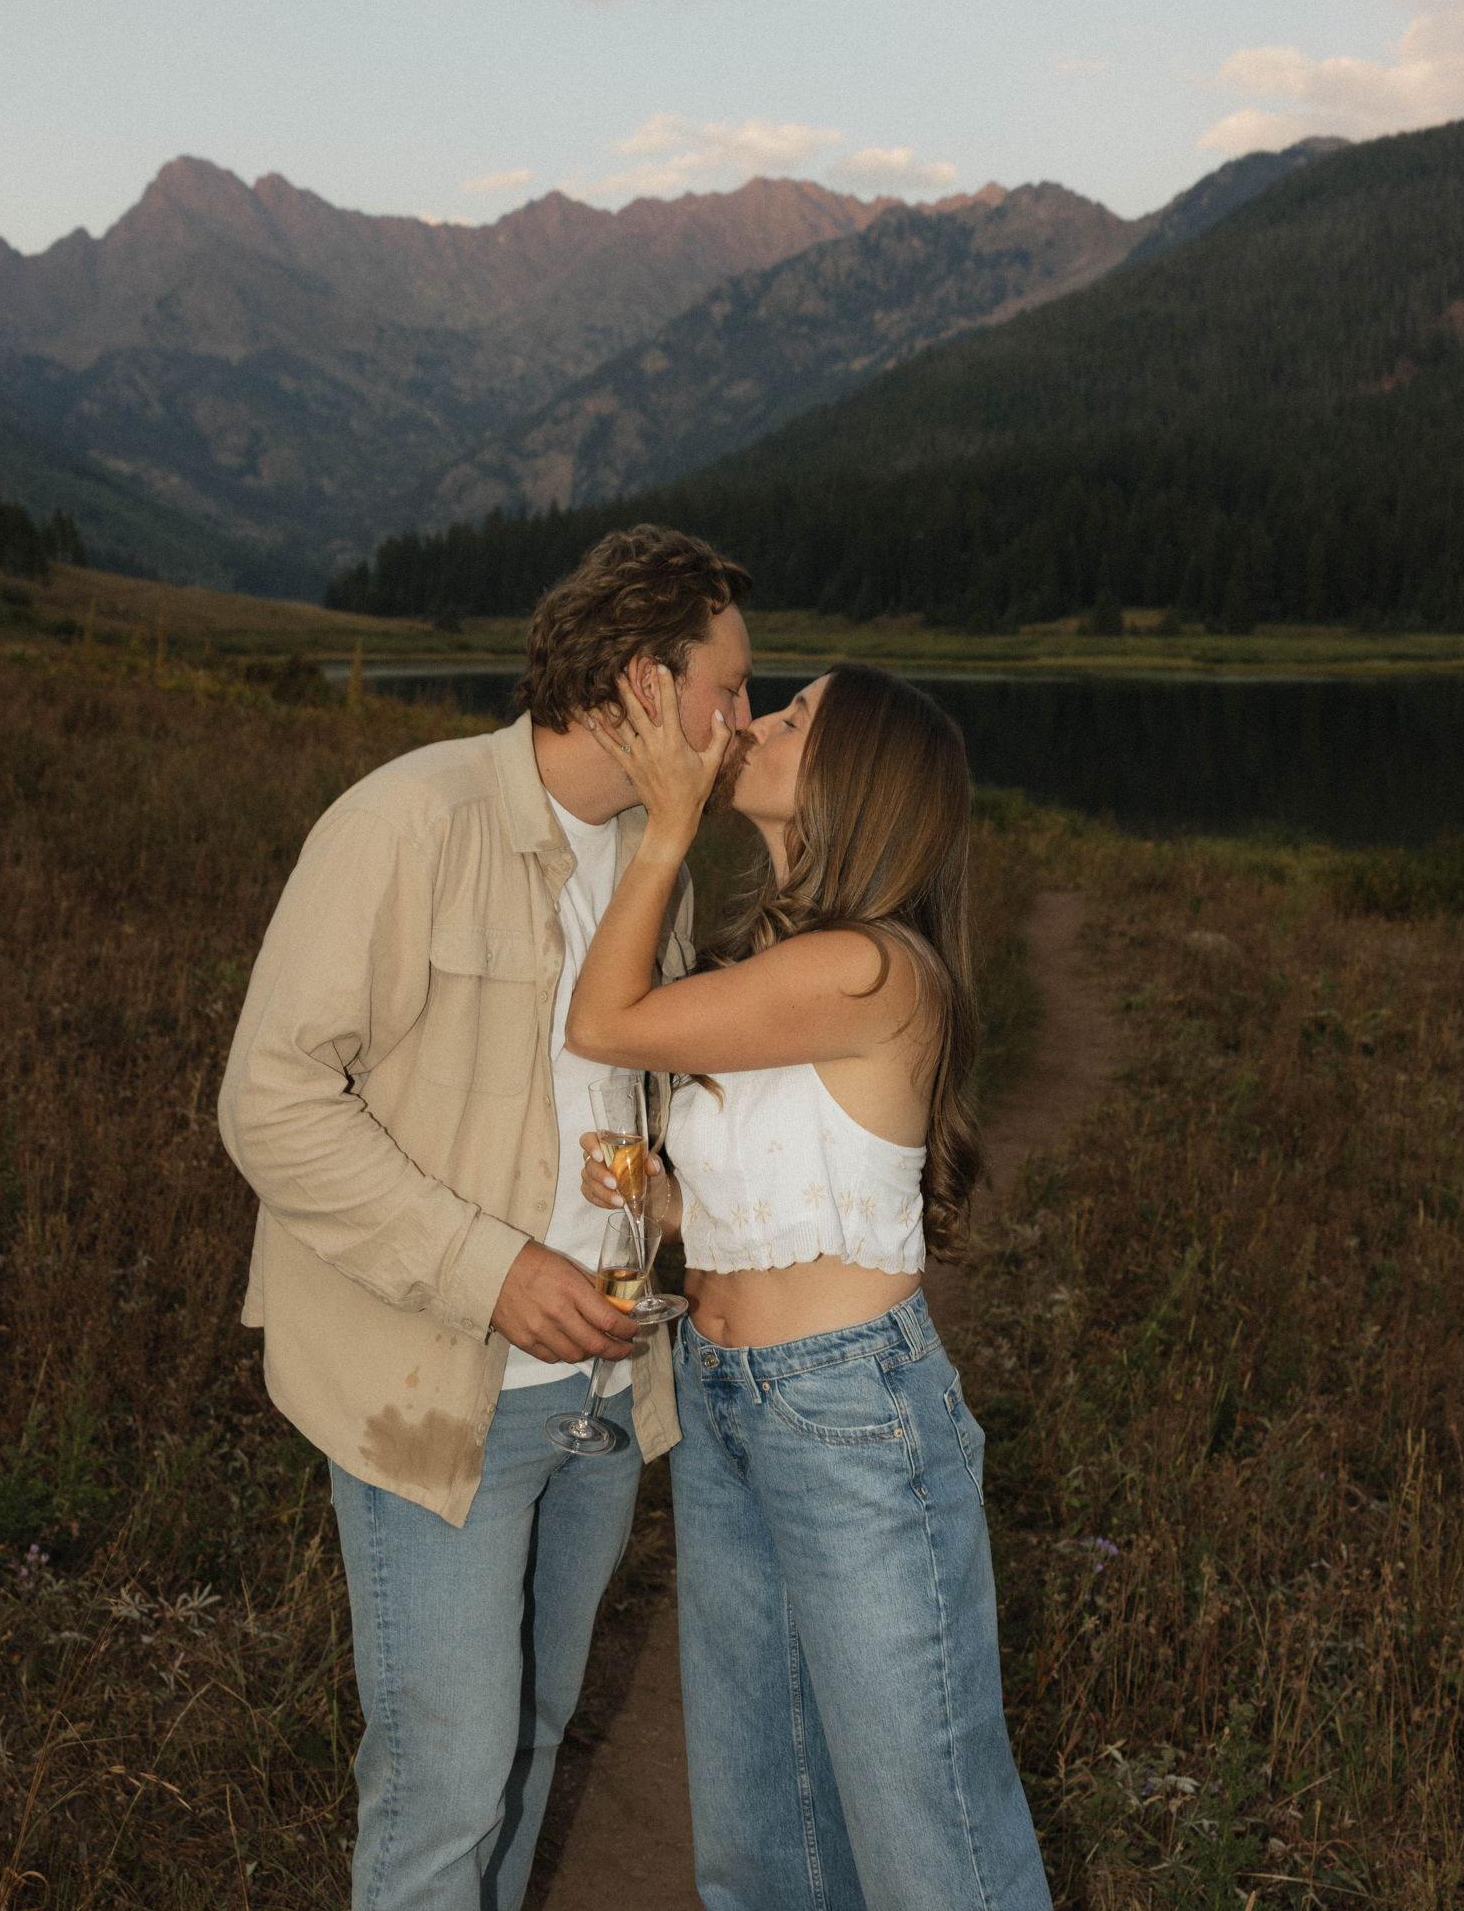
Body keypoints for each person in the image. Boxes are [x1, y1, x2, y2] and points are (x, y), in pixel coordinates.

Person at [216, 525, 753, 1910]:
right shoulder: (409, 821)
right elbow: (268, 1105)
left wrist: (650, 1197)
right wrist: (489, 1265)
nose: (743, 721)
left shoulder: (654, 857)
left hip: (602, 1390)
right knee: (445, 1789)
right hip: (438, 1397)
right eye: (727, 689)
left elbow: (610, 1095)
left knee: (526, 1745)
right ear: (644, 685)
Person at [567, 662, 1049, 1911]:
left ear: (854, 782)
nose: (754, 721)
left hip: (846, 1416)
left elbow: (604, 1019)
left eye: (791, 718)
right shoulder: (775, 961)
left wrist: (666, 823)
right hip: (727, 1402)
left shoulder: (870, 970)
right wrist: (653, 1200)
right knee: (759, 1836)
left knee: (931, 1845)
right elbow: (747, 1212)